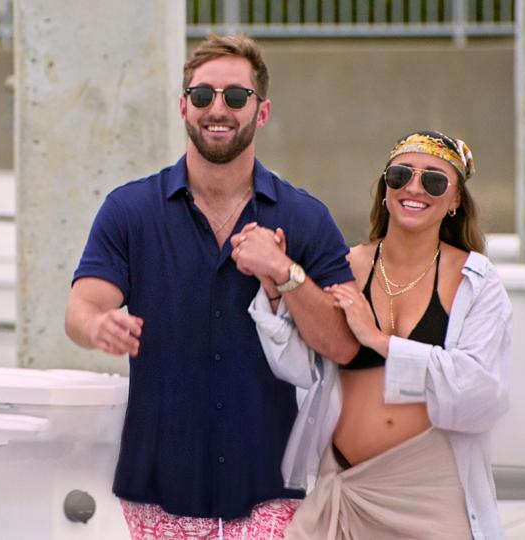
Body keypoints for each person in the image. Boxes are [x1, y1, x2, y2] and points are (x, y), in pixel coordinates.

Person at [65, 34, 360, 539]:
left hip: (272, 486)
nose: (217, 109)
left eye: (236, 97)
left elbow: (343, 343)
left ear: (261, 112)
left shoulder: (304, 218)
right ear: (184, 106)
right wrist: (99, 326)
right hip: (159, 490)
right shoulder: (129, 211)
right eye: (203, 96)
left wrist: (285, 273)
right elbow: (81, 310)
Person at [242, 130, 512, 539]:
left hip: (429, 499)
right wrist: (277, 291)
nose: (414, 187)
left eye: (434, 180)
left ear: (456, 200)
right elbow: (302, 368)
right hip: (342, 491)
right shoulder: (344, 265)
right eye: (400, 175)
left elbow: (481, 394)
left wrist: (381, 342)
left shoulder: (476, 279)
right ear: (385, 190)